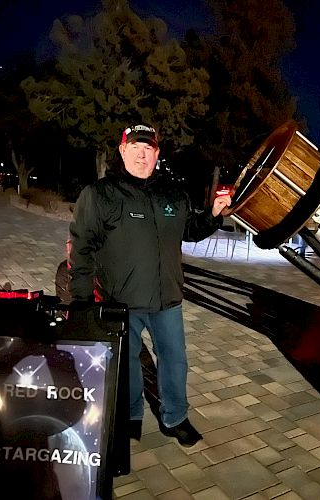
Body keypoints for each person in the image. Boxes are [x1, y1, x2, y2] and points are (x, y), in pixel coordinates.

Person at [68, 123, 231, 447]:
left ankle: (175, 417)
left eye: (149, 149)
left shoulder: (172, 194)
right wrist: (82, 302)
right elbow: (81, 248)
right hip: (121, 301)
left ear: (157, 154)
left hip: (167, 300)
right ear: (122, 150)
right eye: (136, 148)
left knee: (175, 361)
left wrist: (212, 214)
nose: (142, 156)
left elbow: (190, 230)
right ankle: (130, 417)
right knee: (127, 365)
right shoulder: (100, 195)